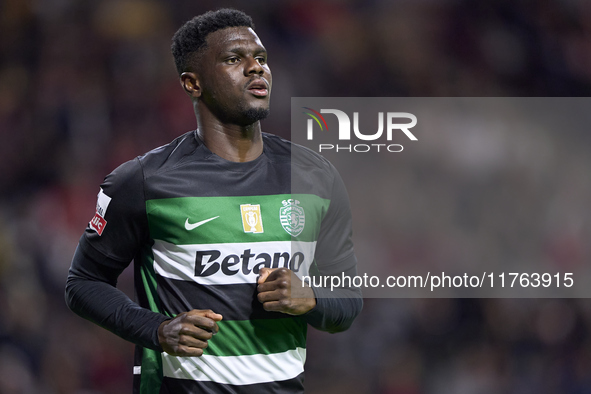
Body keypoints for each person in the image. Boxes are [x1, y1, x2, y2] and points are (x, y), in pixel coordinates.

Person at [65, 8, 362, 394]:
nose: (256, 68)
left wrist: (312, 298)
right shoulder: (144, 181)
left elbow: (348, 301)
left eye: (261, 58)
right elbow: (83, 283)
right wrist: (156, 329)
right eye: (235, 59)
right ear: (193, 83)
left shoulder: (316, 177)